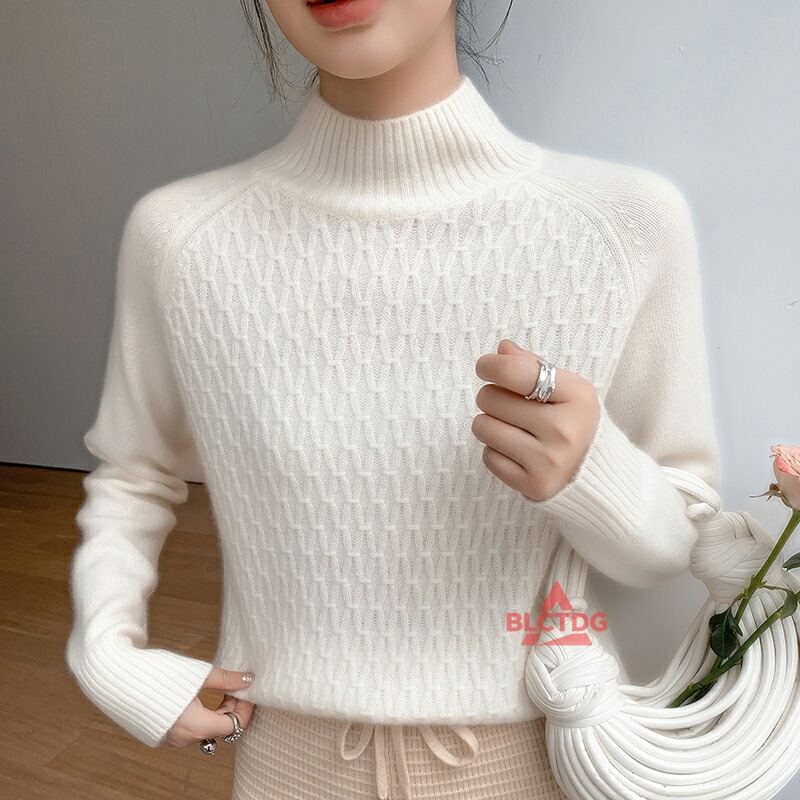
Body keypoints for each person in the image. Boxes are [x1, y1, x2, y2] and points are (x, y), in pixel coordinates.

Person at [65, 0, 722, 798]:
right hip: (283, 767)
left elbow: (680, 545)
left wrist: (593, 471)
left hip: (535, 767)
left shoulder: (624, 227)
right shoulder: (181, 239)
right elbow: (133, 474)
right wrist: (105, 653)